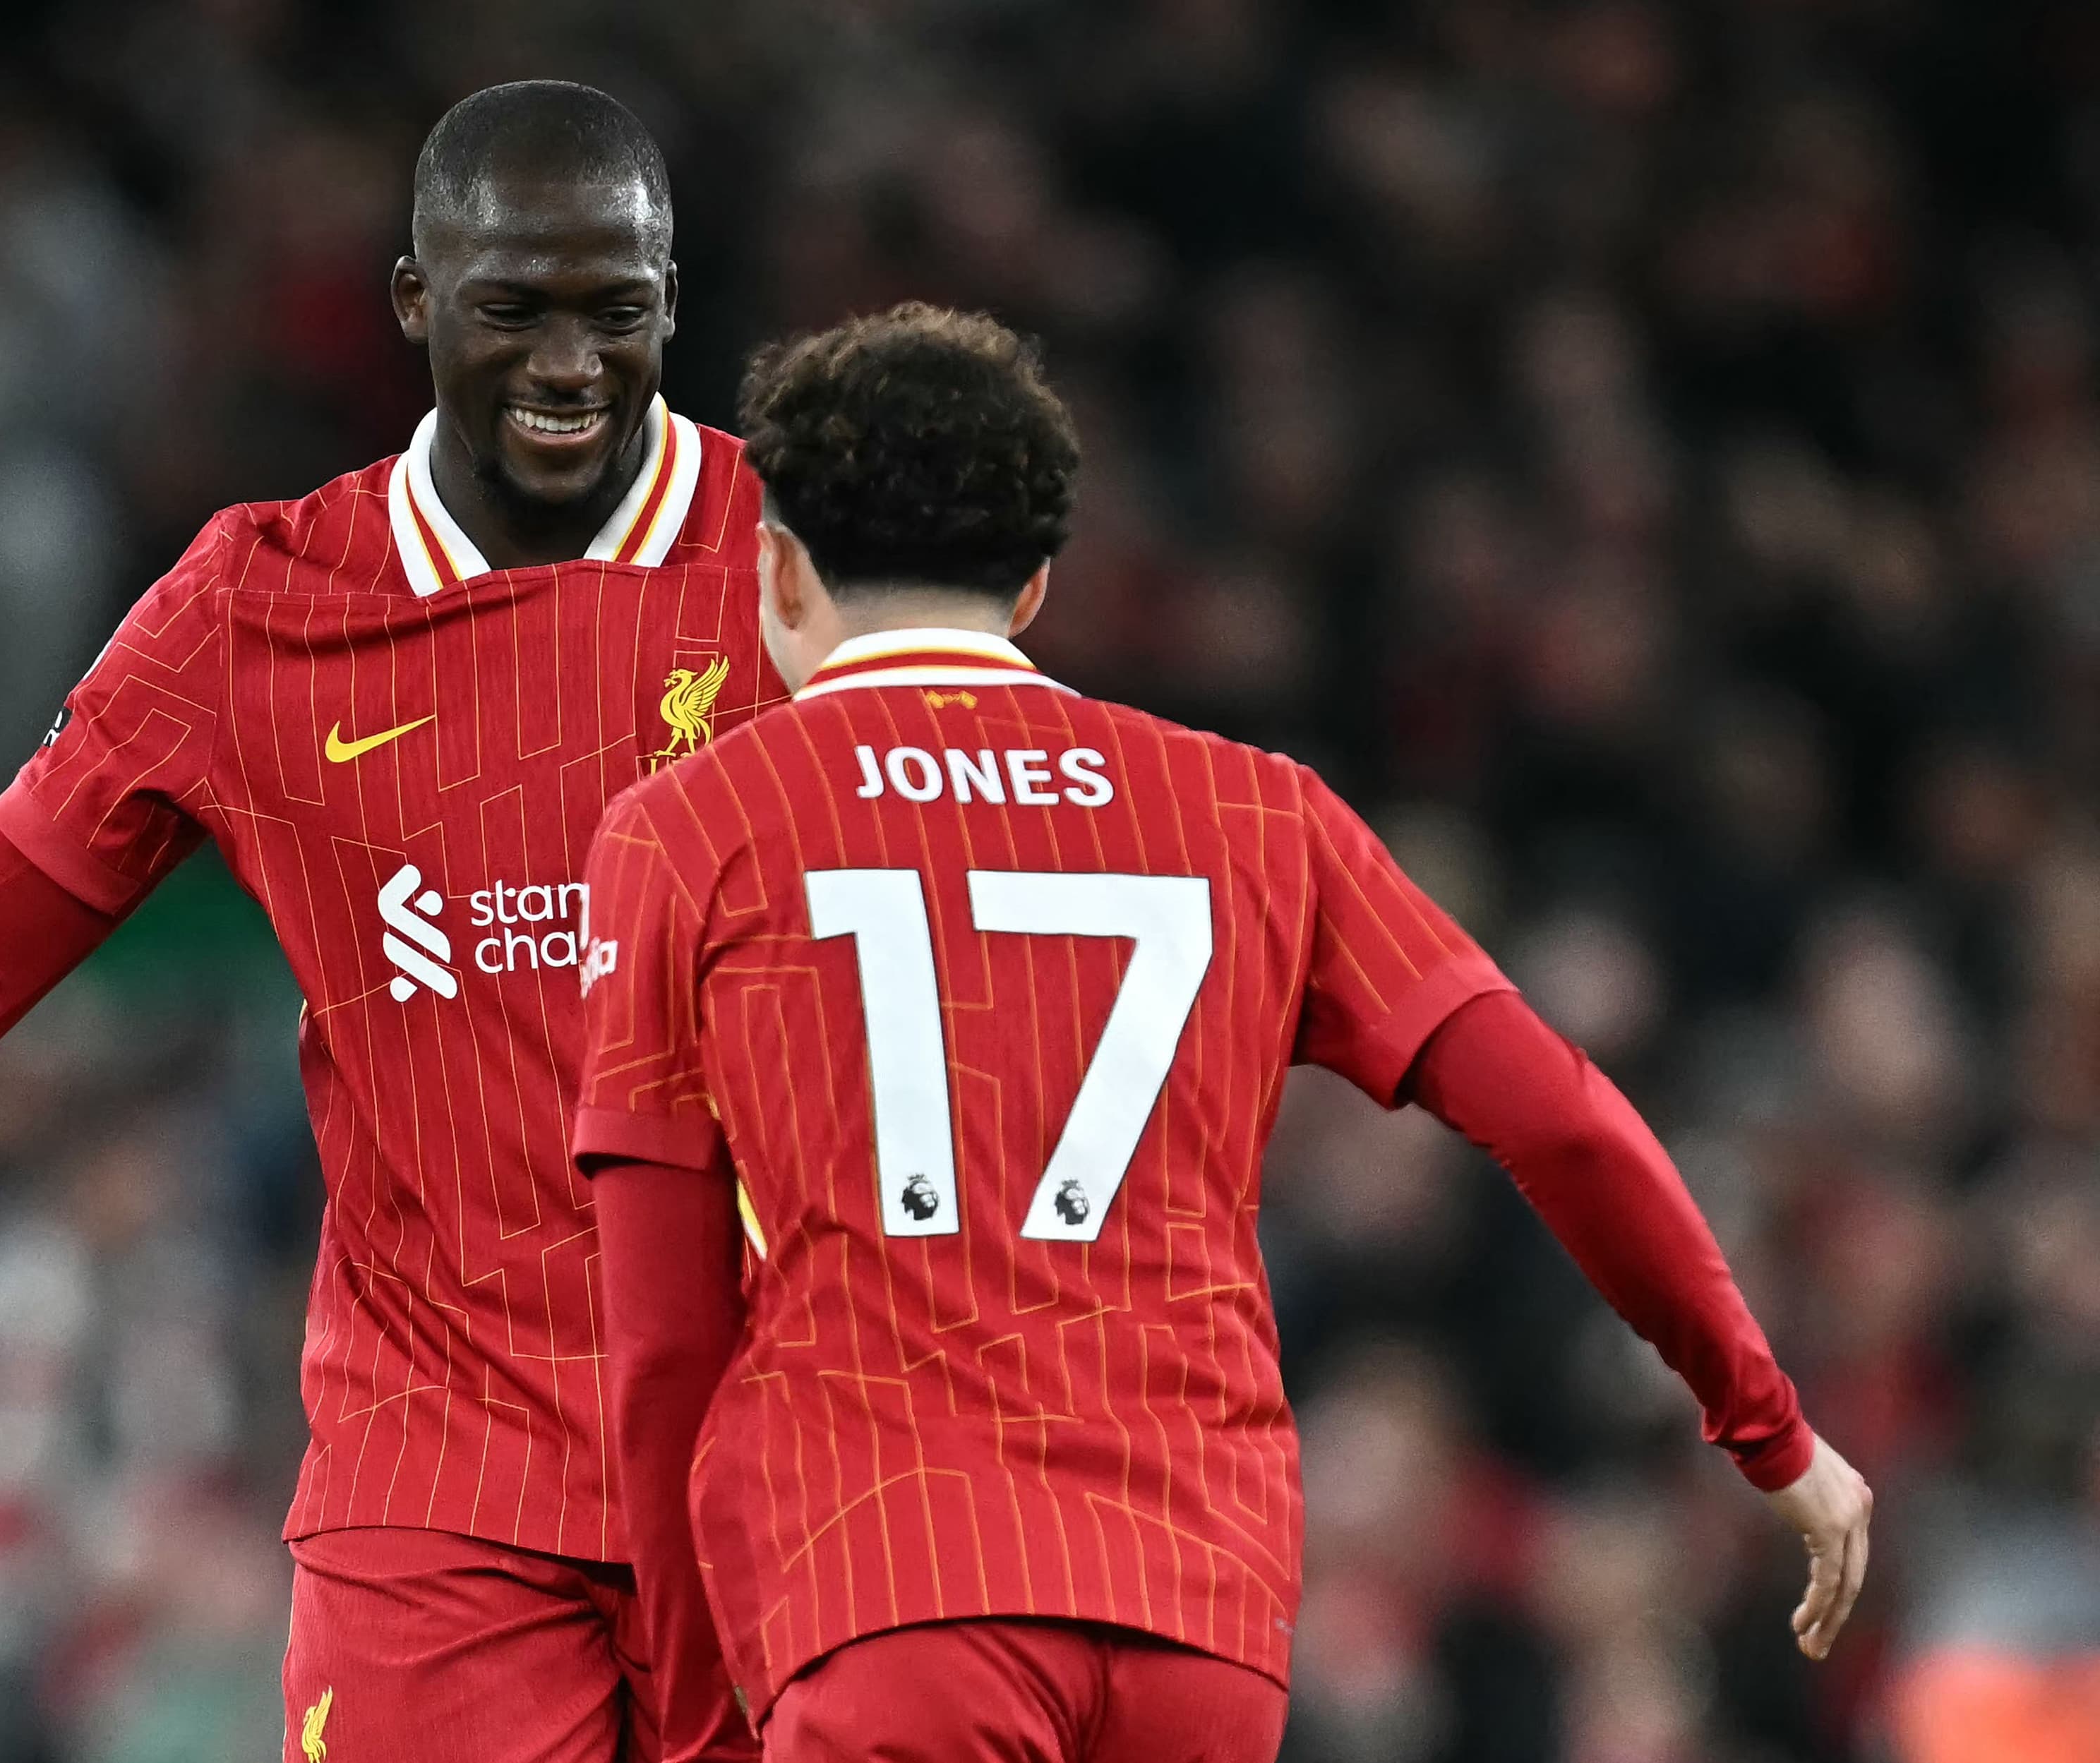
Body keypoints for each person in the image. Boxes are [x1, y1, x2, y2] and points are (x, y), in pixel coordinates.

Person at [0, 81, 769, 1763]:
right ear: (416, 305)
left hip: (765, 1471)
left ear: (670, 303)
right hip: (441, 1502)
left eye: (615, 311)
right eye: (513, 309)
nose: (571, 364)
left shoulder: (794, 578)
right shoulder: (254, 607)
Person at [572, 303, 1874, 1762]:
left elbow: (663, 1338)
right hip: (1197, 1609)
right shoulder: (1260, 813)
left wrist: (692, 1722)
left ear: (780, 566)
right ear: (1036, 584)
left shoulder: (691, 831)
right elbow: (1561, 1116)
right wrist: (1765, 1424)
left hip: (890, 1589)